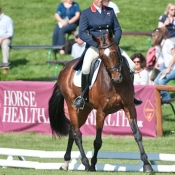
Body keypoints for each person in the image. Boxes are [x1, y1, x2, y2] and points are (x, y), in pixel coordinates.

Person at [73, 0, 142, 109]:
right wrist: (96, 43)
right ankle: (83, 97)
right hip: (95, 47)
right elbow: (82, 33)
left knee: (132, 65)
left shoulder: (110, 11)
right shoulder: (86, 13)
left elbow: (117, 29)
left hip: (110, 46)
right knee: (86, 68)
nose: (101, 0)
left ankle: (130, 95)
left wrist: (115, 42)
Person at [152, 28, 175, 100]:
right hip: (166, 68)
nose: (153, 38)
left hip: (173, 68)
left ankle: (167, 101)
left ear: (158, 36)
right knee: (156, 81)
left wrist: (168, 68)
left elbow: (174, 55)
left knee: (162, 81)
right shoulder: (158, 46)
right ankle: (159, 99)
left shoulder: (168, 42)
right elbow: (161, 61)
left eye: (154, 36)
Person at [0, 6, 14, 74]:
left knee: (5, 46)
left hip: (5, 38)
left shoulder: (7, 19)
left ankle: (5, 66)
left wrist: (2, 39)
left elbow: (10, 33)